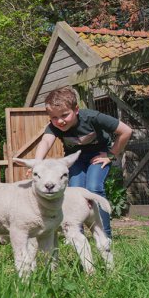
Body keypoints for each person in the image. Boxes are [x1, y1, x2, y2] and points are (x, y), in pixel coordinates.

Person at [34, 86, 133, 238]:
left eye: (65, 115)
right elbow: (46, 142)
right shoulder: (54, 127)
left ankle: (104, 236)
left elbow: (126, 131)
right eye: (54, 117)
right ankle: (75, 235)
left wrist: (111, 155)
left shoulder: (92, 117)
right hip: (76, 160)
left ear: (76, 110)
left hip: (98, 157)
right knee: (74, 192)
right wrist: (37, 163)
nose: (59, 121)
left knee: (94, 188)